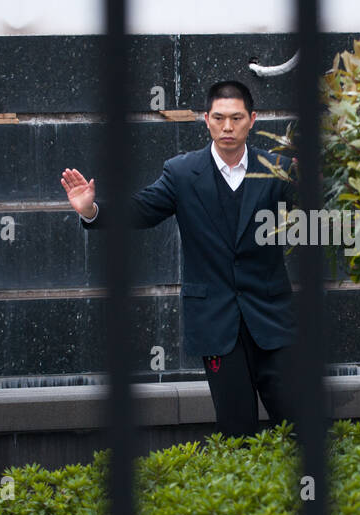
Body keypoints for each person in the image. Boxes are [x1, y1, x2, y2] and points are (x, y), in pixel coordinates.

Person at [60, 79, 297, 439]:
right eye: (219, 118)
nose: (227, 127)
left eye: (236, 118)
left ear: (253, 119)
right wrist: (91, 209)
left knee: (298, 424)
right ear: (206, 119)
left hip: (272, 319)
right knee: (236, 430)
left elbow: (318, 221)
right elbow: (141, 210)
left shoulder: (278, 169)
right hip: (217, 322)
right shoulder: (182, 172)